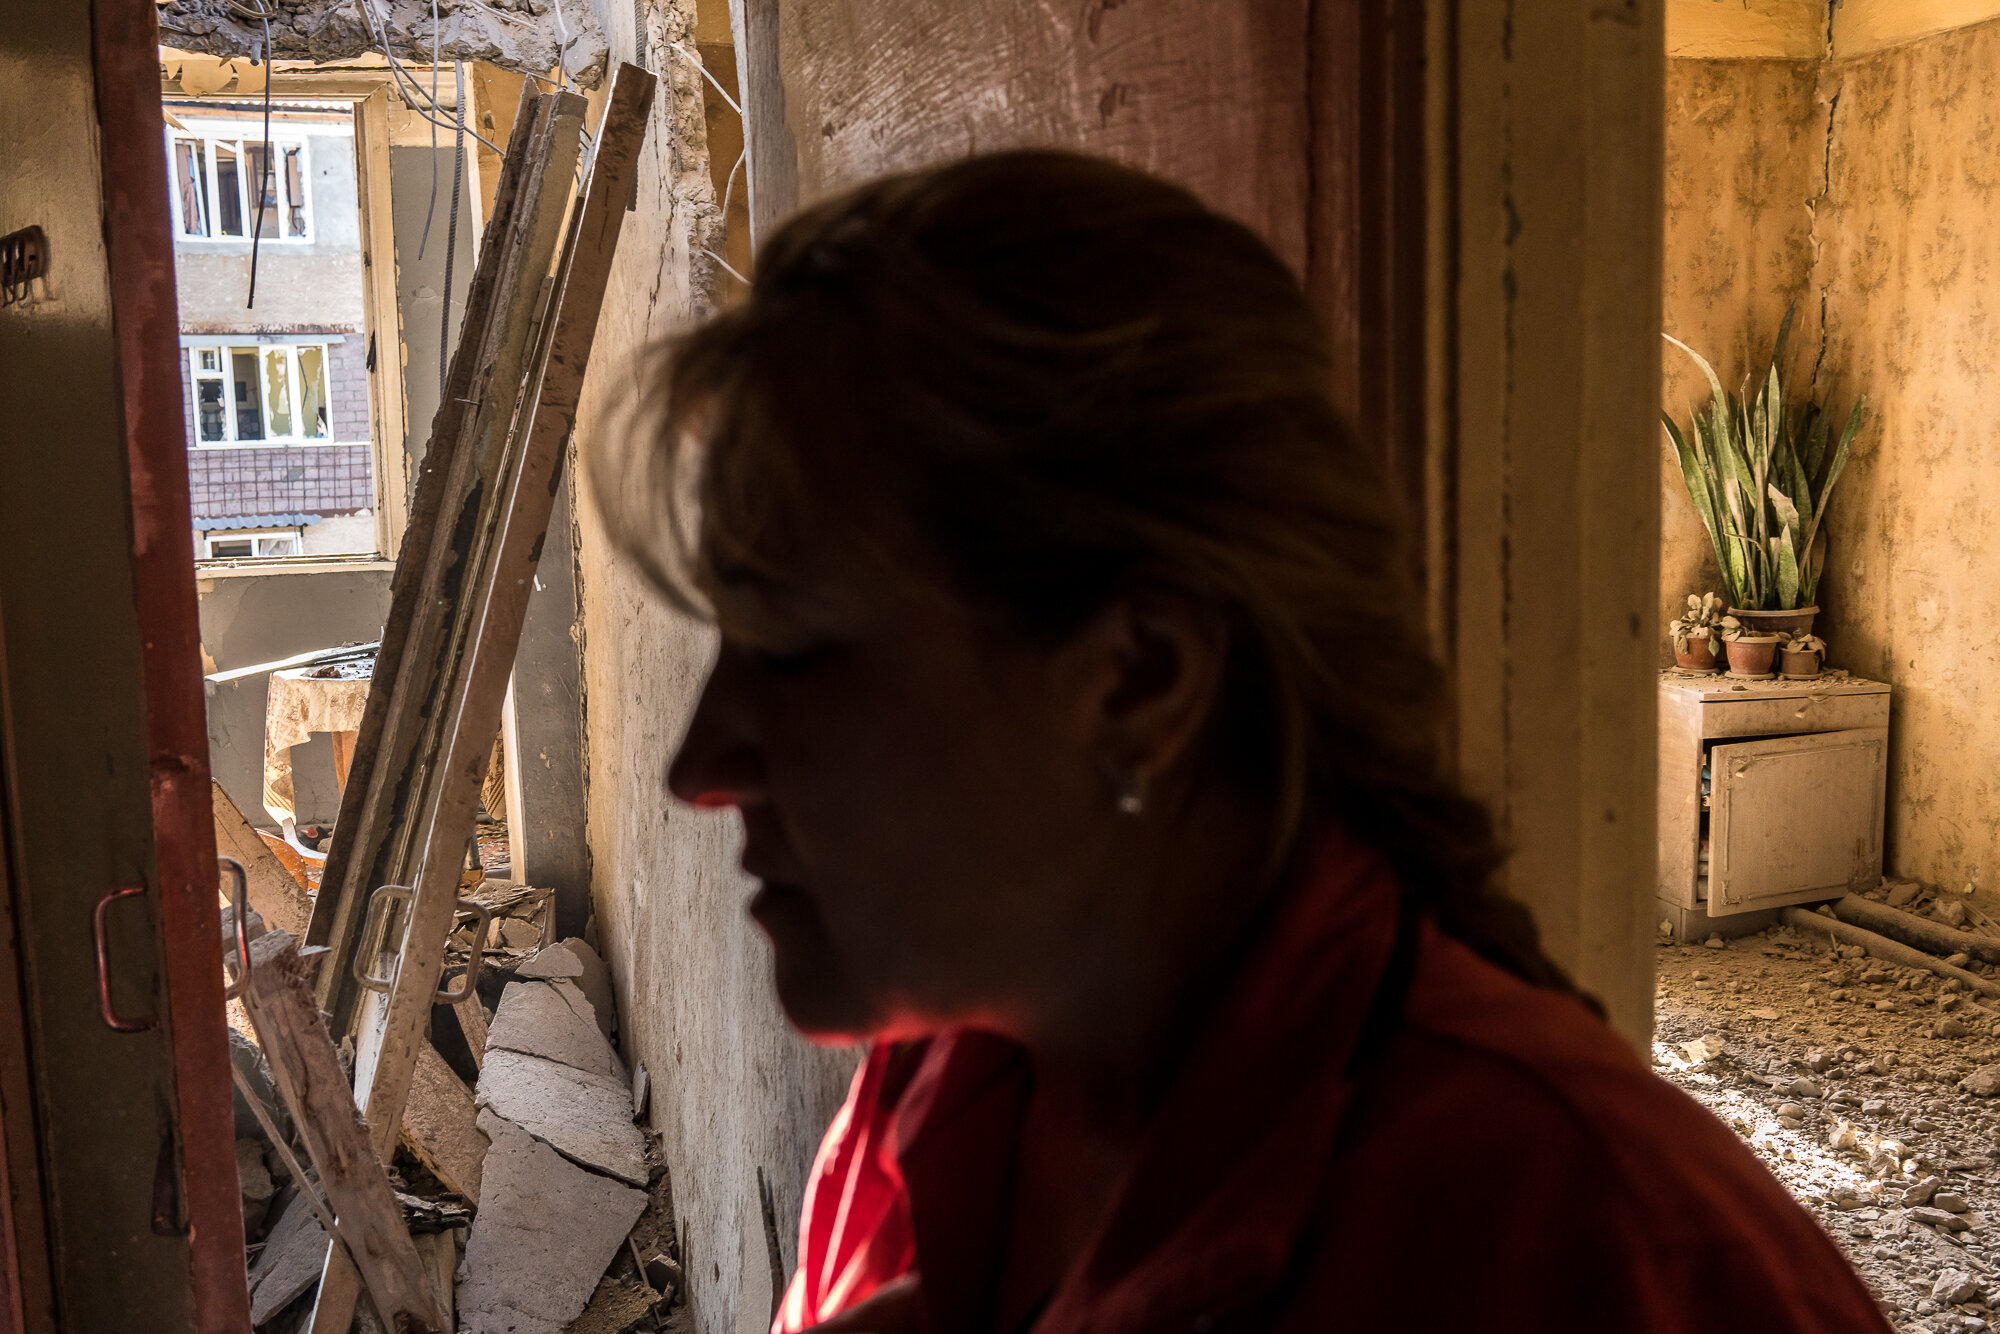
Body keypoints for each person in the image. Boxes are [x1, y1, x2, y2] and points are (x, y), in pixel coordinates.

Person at [595, 150, 1893, 1334]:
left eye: (799, 650)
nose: (702, 764)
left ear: (1141, 677)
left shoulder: (1603, 1255)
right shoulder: (951, 1095)